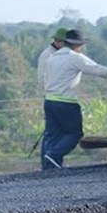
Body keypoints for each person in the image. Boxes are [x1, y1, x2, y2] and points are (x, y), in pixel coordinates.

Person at [42, 29, 107, 169]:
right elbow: (95, 69)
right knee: (75, 133)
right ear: (78, 44)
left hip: (49, 101)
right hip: (66, 101)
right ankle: (54, 155)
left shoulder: (51, 58)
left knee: (53, 134)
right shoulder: (74, 57)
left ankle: (50, 166)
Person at [36, 27, 67, 170]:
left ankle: (52, 163)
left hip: (56, 96)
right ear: (58, 41)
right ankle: (48, 164)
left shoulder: (60, 54)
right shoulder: (47, 56)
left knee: (55, 132)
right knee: (52, 133)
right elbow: (42, 79)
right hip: (53, 96)